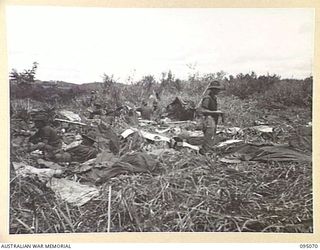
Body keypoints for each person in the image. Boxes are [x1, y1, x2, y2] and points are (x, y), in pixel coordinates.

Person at [198, 81, 225, 154]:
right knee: (208, 138)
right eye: (217, 89)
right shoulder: (207, 98)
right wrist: (217, 112)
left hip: (213, 119)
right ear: (212, 90)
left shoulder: (214, 98)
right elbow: (203, 110)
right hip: (208, 119)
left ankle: (206, 153)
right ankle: (204, 154)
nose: (218, 91)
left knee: (211, 138)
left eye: (218, 89)